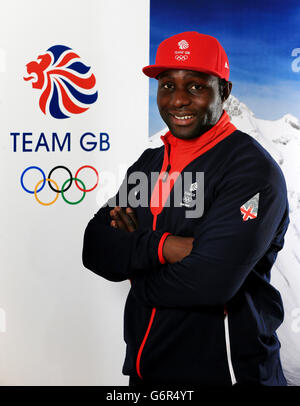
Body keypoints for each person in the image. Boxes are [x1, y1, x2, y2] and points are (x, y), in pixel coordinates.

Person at [82, 32, 289, 386]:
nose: (177, 100)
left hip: (226, 374)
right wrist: (164, 247)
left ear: (224, 91)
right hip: (146, 371)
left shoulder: (250, 170)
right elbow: (95, 246)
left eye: (195, 87)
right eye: (166, 85)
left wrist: (135, 268)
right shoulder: (150, 162)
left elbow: (211, 283)